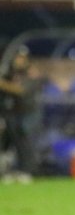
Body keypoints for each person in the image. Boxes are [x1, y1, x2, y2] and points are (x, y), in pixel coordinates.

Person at [0, 49, 38, 181]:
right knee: (12, 143)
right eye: (17, 57)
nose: (18, 60)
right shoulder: (10, 73)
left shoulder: (31, 73)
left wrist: (3, 84)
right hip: (12, 113)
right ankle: (12, 171)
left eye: (21, 58)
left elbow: (21, 90)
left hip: (27, 114)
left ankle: (27, 171)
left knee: (25, 143)